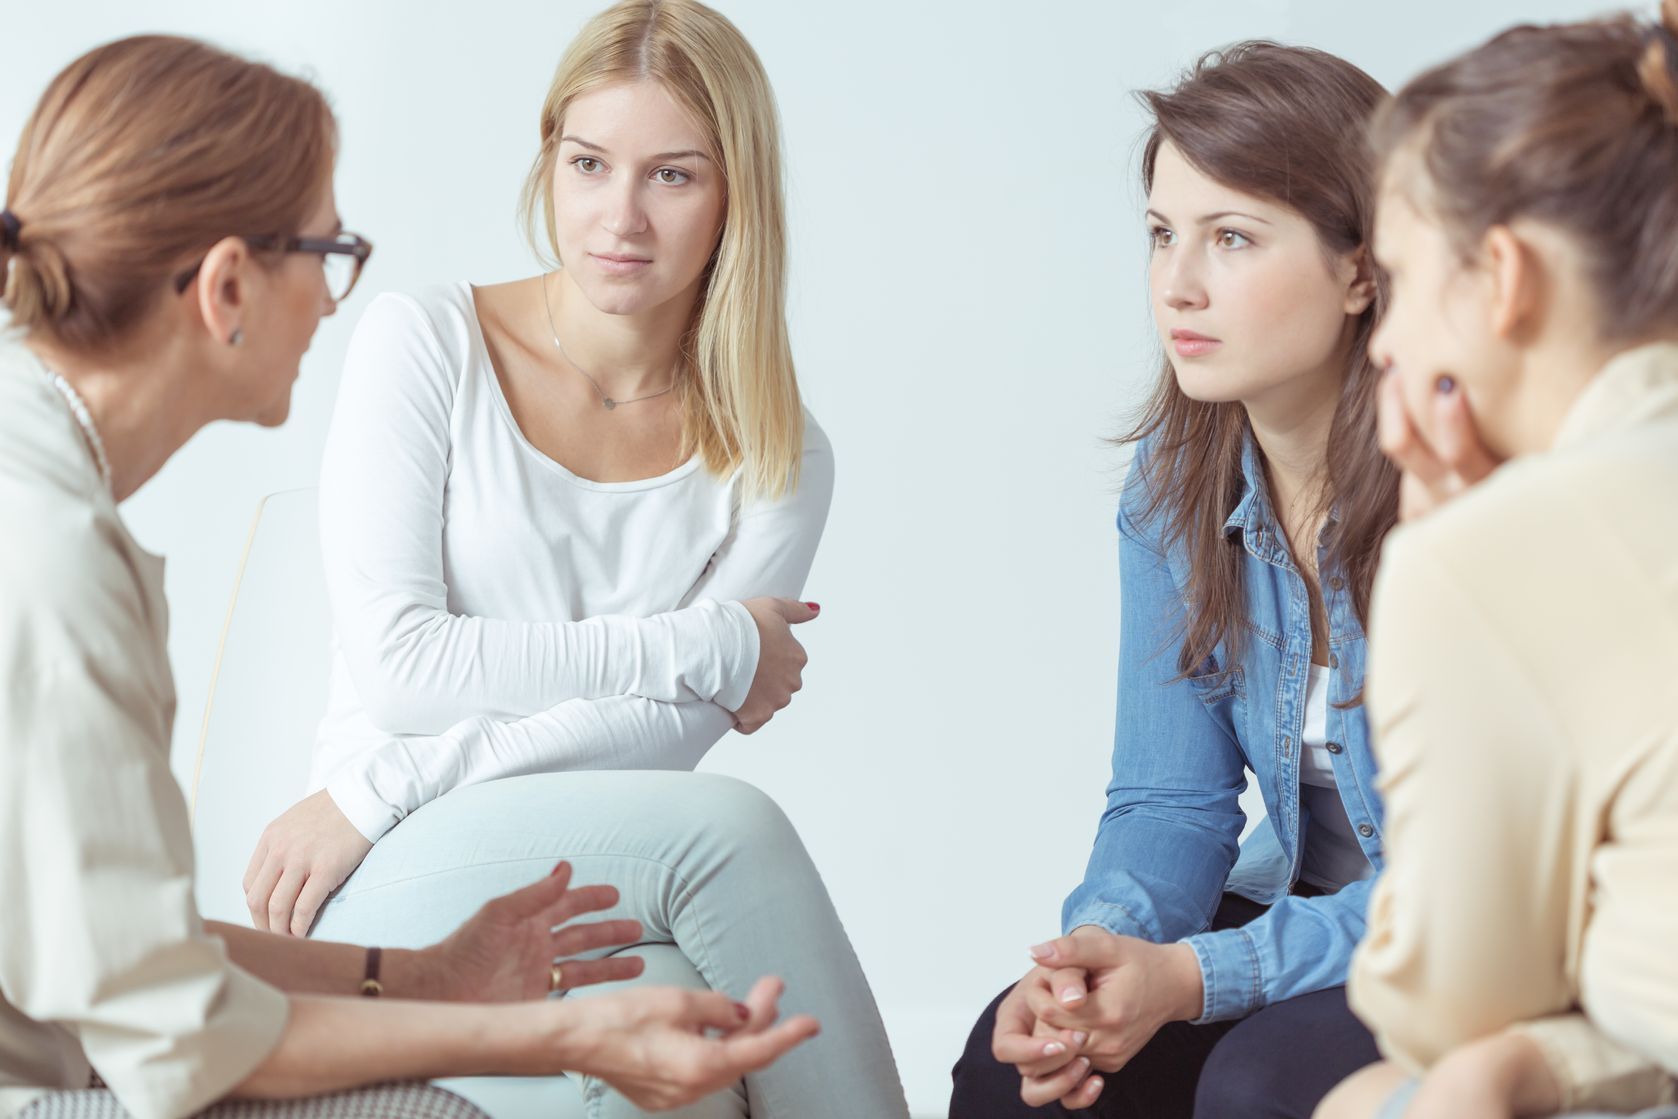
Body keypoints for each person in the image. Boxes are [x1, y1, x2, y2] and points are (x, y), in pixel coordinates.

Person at [0, 34, 815, 1119]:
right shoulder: (51, 561)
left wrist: (423, 977)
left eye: (671, 175)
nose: (334, 302)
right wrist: (552, 1034)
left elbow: (117, 954)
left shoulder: (46, 501)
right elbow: (171, 1033)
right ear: (230, 285)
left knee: (667, 1048)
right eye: (329, 250)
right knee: (718, 847)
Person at [241, 2, 908, 1116]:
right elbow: (404, 669)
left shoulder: (779, 452)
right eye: (589, 163)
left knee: (691, 1062)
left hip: (574, 868)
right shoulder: (427, 344)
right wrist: (709, 642)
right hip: (380, 858)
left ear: (736, 195)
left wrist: (393, 774)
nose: (619, 217)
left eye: (672, 176)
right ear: (548, 159)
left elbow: (659, 737)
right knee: (736, 829)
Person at [949, 42, 1399, 1119]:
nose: (1176, 284)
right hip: (1303, 904)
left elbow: (1469, 890)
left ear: (1362, 269)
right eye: (1162, 234)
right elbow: (1170, 800)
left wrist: (1196, 977)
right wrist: (1098, 954)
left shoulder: (1463, 499)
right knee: (1020, 1072)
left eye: (1231, 237)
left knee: (1260, 1085)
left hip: (1476, 934)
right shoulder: (1173, 485)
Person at [1311, 3, 1678, 1118]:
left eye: (1400, 278)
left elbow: (1446, 1011)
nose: (1381, 341)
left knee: (1370, 1098)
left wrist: (1440, 549)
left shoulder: (1483, 557)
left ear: (1504, 278)